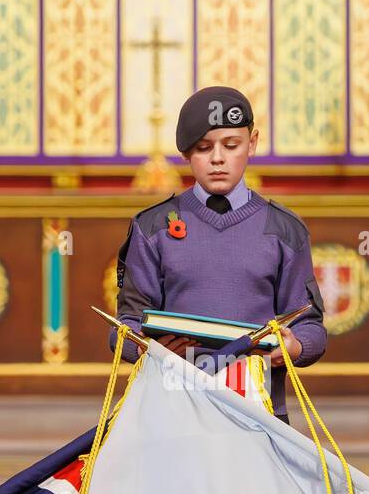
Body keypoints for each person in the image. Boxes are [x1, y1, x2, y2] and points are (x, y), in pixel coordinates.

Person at [111, 86, 326, 424]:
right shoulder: (153, 227)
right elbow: (124, 326)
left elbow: (310, 326)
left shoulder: (284, 229)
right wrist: (143, 348)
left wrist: (293, 347)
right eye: (203, 148)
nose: (217, 159)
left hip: (259, 412)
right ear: (185, 153)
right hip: (174, 410)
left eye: (231, 145)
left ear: (252, 143)